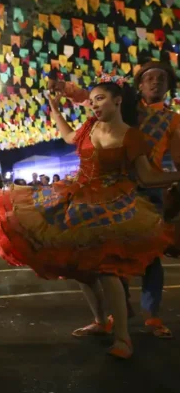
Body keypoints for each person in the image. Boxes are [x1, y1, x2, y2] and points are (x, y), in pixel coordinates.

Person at [0, 77, 180, 359]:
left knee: (106, 268)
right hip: (78, 198)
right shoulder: (89, 126)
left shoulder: (131, 136)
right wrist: (54, 109)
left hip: (116, 203)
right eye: (91, 101)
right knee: (79, 266)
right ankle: (101, 321)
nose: (93, 105)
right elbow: (68, 137)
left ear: (118, 100)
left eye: (99, 99)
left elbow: (148, 176)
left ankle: (123, 337)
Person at [61, 62, 180, 339]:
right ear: (138, 85)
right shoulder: (128, 107)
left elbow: (176, 157)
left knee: (150, 256)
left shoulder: (174, 119)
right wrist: (65, 90)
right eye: (149, 78)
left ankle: (151, 315)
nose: (155, 83)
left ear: (169, 86)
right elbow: (94, 98)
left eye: (161, 79)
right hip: (116, 188)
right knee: (110, 255)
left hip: (151, 188)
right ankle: (118, 311)